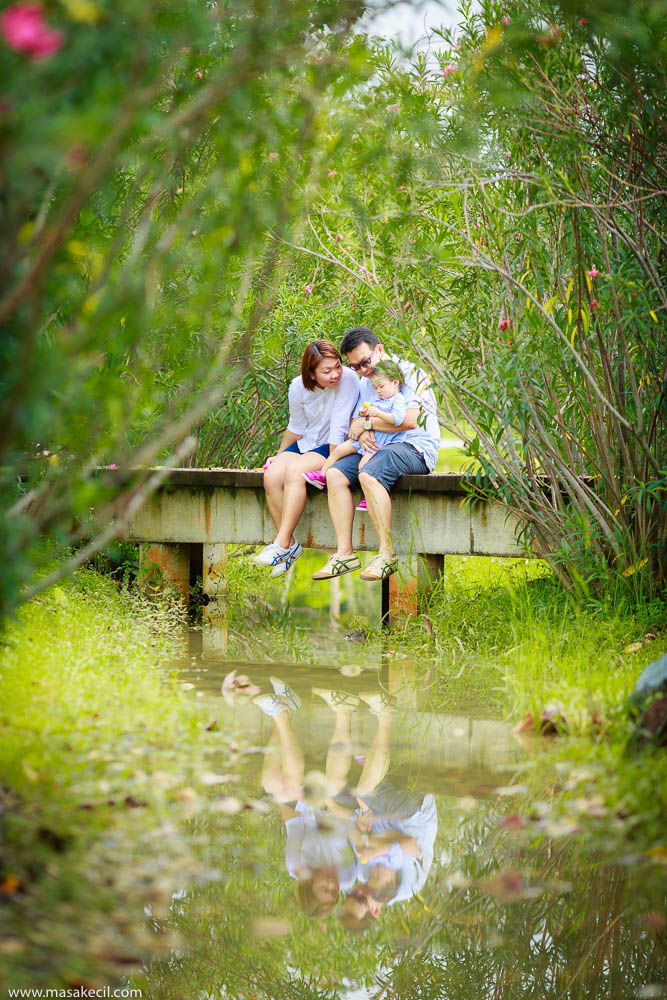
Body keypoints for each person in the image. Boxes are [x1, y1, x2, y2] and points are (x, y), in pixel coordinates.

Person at [312, 327, 440, 582]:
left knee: (368, 474)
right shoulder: (365, 383)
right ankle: (345, 554)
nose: (362, 370)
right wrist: (360, 431)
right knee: (336, 475)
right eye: (356, 367)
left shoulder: (410, 373)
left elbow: (411, 421)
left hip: (415, 447)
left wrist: (367, 426)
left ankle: (386, 554)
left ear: (379, 349)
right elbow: (355, 425)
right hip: (379, 447)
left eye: (365, 362)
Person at [253, 340, 359, 577]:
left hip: (333, 445)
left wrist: (332, 461)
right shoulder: (297, 387)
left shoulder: (348, 380)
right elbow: (297, 427)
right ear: (311, 373)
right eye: (326, 370)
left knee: (294, 472)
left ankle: (280, 545)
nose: (335, 374)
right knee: (272, 474)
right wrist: (280, 455)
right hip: (307, 442)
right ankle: (290, 547)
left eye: (337, 366)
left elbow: (339, 427)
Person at [302, 361, 408, 488]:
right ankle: (322, 475)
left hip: (381, 442)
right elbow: (366, 416)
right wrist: (364, 414)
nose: (378, 391)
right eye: (375, 387)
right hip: (368, 437)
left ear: (395, 383)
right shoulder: (377, 399)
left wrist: (378, 413)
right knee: (339, 450)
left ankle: (370, 494)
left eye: (381, 386)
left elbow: (397, 419)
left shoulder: (398, 400)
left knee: (363, 466)